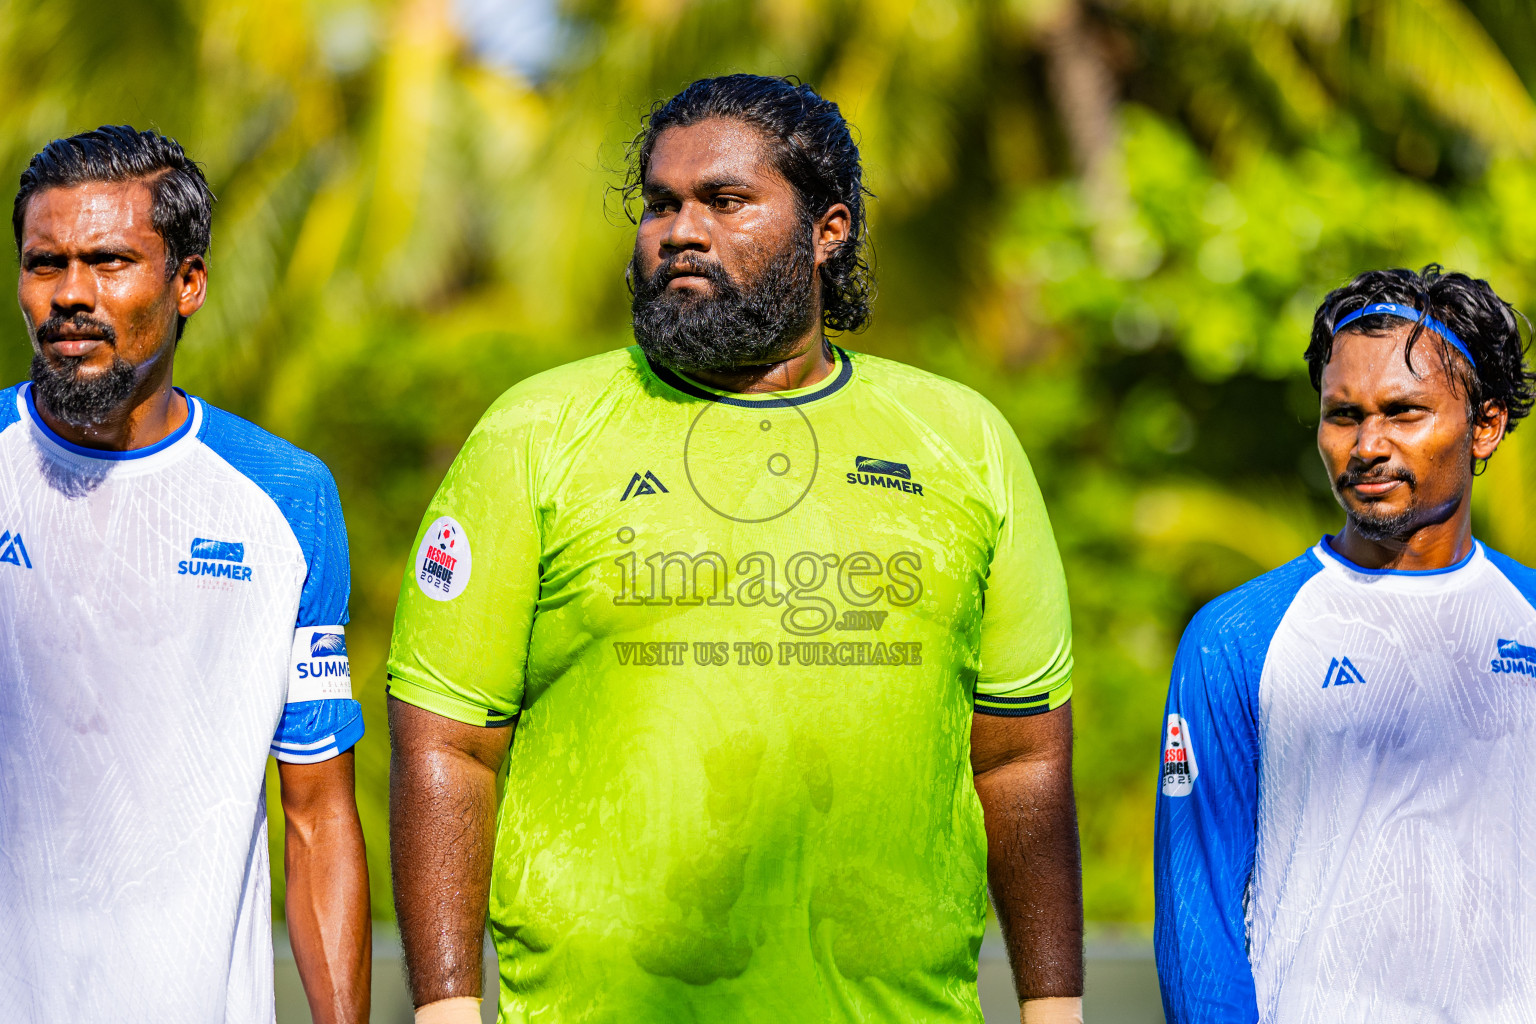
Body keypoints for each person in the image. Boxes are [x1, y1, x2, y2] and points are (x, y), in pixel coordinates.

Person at [387, 75, 1083, 1024]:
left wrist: (1054, 1008)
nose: (680, 229)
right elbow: (446, 740)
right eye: (660, 204)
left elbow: (1021, 760)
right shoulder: (535, 432)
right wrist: (444, 1008)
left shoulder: (962, 441)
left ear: (827, 229)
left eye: (723, 201)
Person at [0, 126, 370, 1023]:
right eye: (46, 264)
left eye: (110, 261)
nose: (72, 296)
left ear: (189, 283)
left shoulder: (288, 500)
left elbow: (318, 817)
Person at [1154, 265, 1536, 1022]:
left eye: (1403, 411)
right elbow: (1198, 918)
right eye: (1343, 415)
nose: (1368, 445)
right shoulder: (1235, 639)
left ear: (1484, 424)